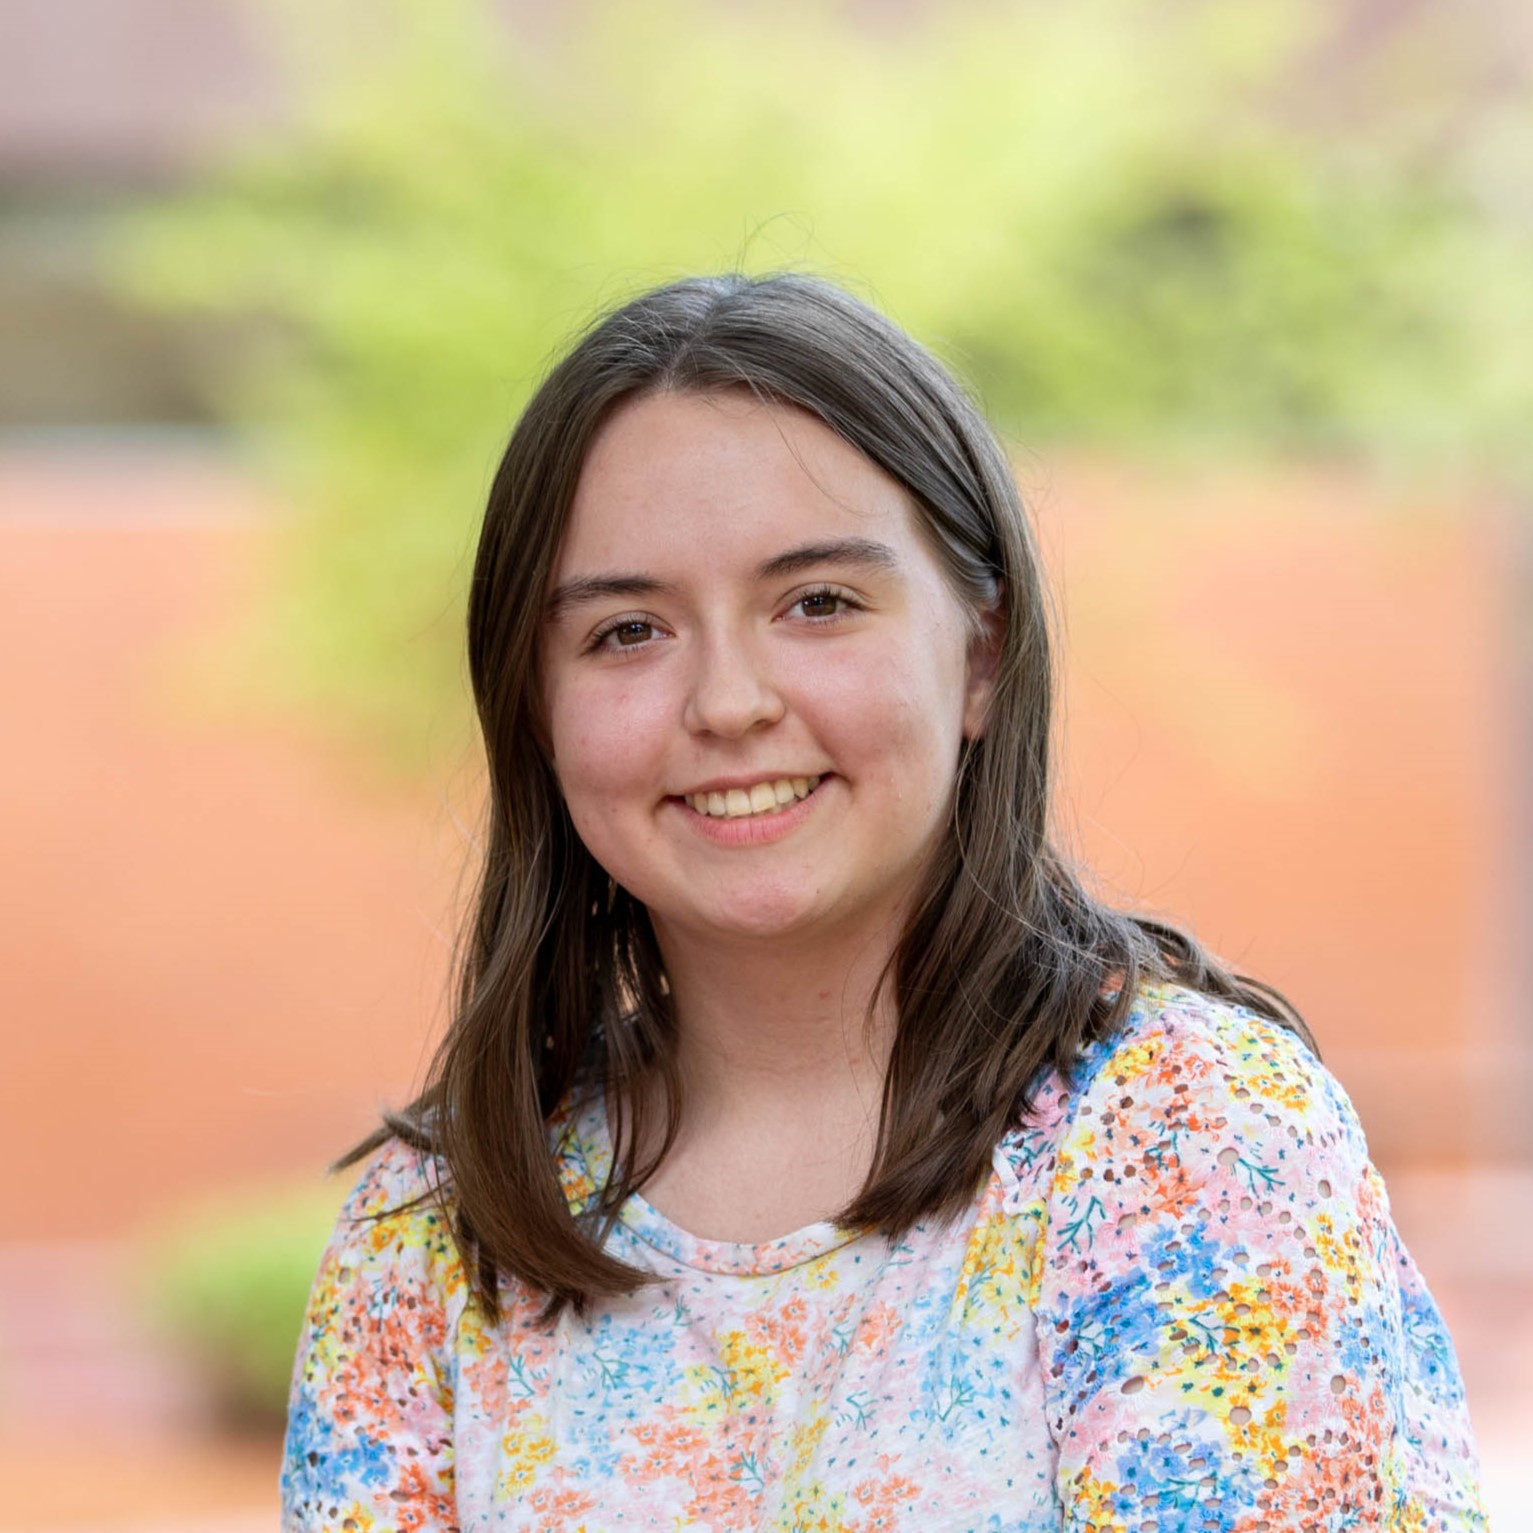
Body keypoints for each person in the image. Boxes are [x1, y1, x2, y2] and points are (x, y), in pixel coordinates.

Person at [281, 273, 1485, 1531]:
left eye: (818, 604)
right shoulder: (429, 1243)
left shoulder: (1190, 1143)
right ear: (536, 706)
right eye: (628, 632)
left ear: (980, 653)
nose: (727, 702)